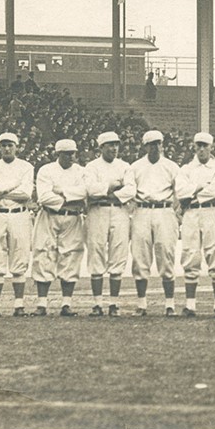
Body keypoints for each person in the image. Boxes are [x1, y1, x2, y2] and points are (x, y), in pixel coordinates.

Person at [128, 130, 183, 316]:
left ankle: (169, 304)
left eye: (158, 143)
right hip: (142, 210)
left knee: (166, 253)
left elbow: (180, 192)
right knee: (140, 256)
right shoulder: (135, 167)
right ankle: (142, 304)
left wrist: (174, 210)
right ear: (145, 146)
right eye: (152, 144)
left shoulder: (171, 166)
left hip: (164, 211)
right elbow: (129, 192)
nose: (156, 147)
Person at [32, 139, 88, 317]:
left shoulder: (81, 171)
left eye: (73, 153)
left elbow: (86, 192)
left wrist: (61, 192)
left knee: (71, 255)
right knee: (43, 254)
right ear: (58, 154)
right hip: (49, 215)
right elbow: (44, 197)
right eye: (66, 153)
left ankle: (66, 303)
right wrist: (72, 196)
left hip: (72, 218)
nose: (70, 157)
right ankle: (41, 303)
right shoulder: (46, 170)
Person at [83, 131, 136, 317]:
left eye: (116, 145)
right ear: (101, 147)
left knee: (119, 251)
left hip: (119, 210)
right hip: (98, 210)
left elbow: (131, 190)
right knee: (96, 251)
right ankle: (97, 304)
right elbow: (90, 189)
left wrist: (107, 191)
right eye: (110, 145)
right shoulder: (91, 166)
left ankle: (113, 303)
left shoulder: (125, 166)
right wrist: (112, 186)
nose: (114, 148)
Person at [0, 133, 34, 317]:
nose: (6, 148)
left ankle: (19, 305)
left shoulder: (26, 166)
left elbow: (26, 194)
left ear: (17, 147)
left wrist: (0, 191)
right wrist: (12, 186)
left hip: (19, 214)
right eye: (3, 145)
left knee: (20, 255)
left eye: (10, 145)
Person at [178, 132, 215, 317]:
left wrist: (194, 190)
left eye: (205, 145)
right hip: (191, 213)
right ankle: (190, 305)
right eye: (198, 145)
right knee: (190, 254)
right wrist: (200, 187)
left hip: (212, 211)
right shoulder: (185, 168)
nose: (201, 149)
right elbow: (181, 192)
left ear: (211, 147)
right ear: (194, 147)